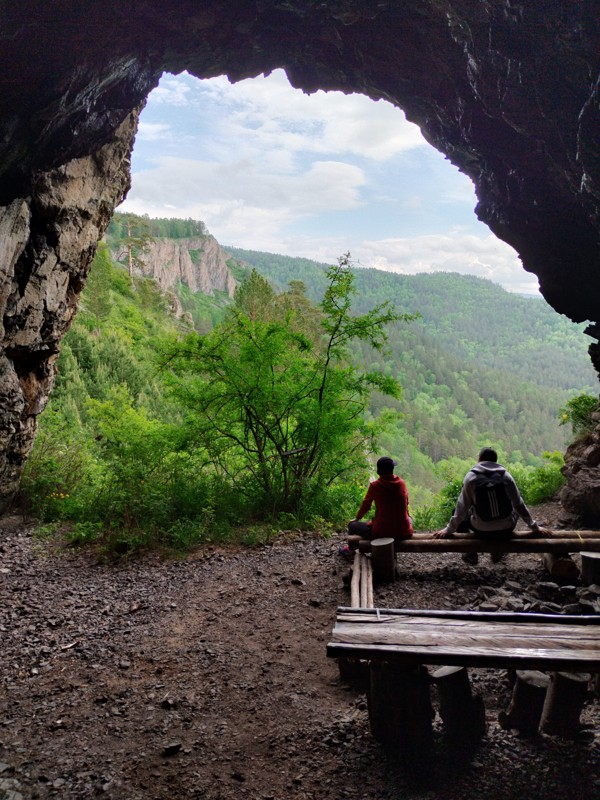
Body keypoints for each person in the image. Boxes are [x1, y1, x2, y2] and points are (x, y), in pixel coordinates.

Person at [433, 446, 552, 564]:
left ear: (479, 459)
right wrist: (534, 527)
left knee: (455, 511)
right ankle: (497, 550)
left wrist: (448, 530)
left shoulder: (471, 477)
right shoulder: (506, 476)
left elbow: (461, 508)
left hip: (480, 529)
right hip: (506, 529)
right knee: (516, 508)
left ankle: (470, 552)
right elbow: (519, 504)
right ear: (495, 461)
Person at [348, 456, 413, 543]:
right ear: (392, 469)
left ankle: (351, 549)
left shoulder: (375, 486)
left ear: (378, 471)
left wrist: (357, 518)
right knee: (410, 519)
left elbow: (366, 505)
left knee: (352, 525)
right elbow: (406, 503)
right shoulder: (402, 483)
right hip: (404, 531)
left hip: (382, 532)